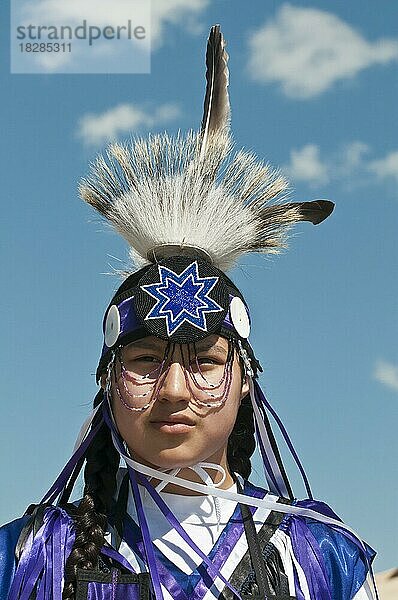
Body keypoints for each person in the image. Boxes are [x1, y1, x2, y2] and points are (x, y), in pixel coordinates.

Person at [0, 25, 378, 600]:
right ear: (106, 381)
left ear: (247, 380)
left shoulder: (316, 559)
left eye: (204, 361)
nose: (174, 389)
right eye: (146, 361)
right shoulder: (29, 561)